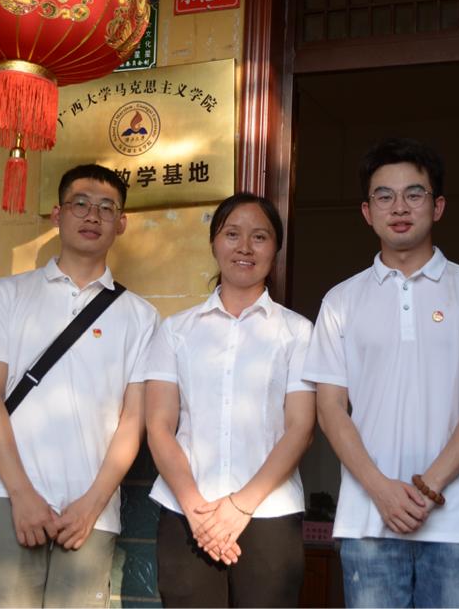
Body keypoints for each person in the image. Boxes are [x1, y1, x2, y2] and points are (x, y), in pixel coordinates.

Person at [303, 138, 459, 608]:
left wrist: (428, 486)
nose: (399, 207)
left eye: (414, 194)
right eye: (384, 196)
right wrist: (381, 491)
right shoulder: (341, 301)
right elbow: (330, 408)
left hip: (456, 521)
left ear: (437, 206)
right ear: (367, 211)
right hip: (368, 520)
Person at [0, 164, 158, 608]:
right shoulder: (9, 294)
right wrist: (21, 493)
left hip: (90, 514)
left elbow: (134, 420)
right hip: (6, 497)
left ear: (121, 223)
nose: (93, 216)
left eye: (106, 208)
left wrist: (92, 505)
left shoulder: (140, 317)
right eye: (80, 204)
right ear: (57, 214)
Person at [144, 193, 316, 608]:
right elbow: (159, 426)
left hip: (270, 512)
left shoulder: (297, 332)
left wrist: (241, 506)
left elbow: (301, 428)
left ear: (276, 248)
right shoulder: (176, 331)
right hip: (188, 513)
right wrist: (196, 510)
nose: (245, 247)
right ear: (213, 243)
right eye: (232, 234)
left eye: (260, 237)